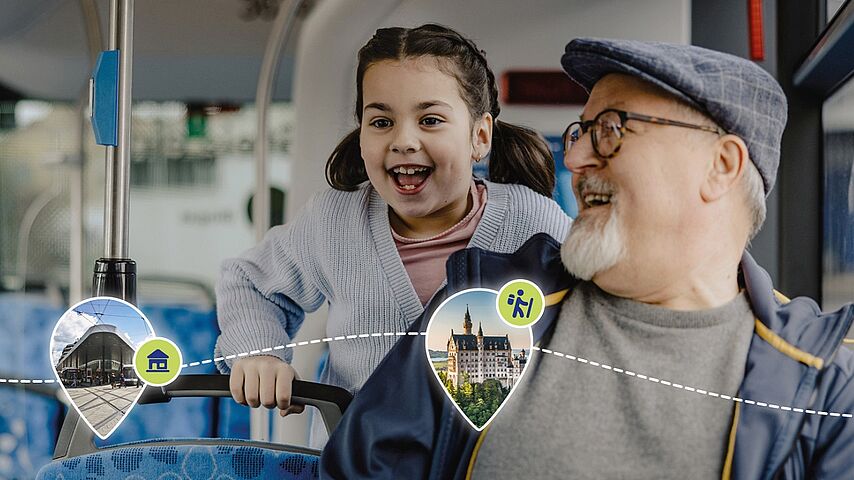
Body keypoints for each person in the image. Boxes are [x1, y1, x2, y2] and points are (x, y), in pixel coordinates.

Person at [320, 38, 854, 479]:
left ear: (721, 165)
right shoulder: (497, 317)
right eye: (581, 131)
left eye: (612, 129)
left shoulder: (819, 381)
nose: (574, 157)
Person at [214, 23, 571, 445]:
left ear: (479, 137)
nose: (404, 140)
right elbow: (251, 282)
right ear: (362, 136)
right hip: (357, 464)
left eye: (431, 120)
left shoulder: (533, 223)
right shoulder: (336, 219)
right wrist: (261, 352)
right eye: (381, 121)